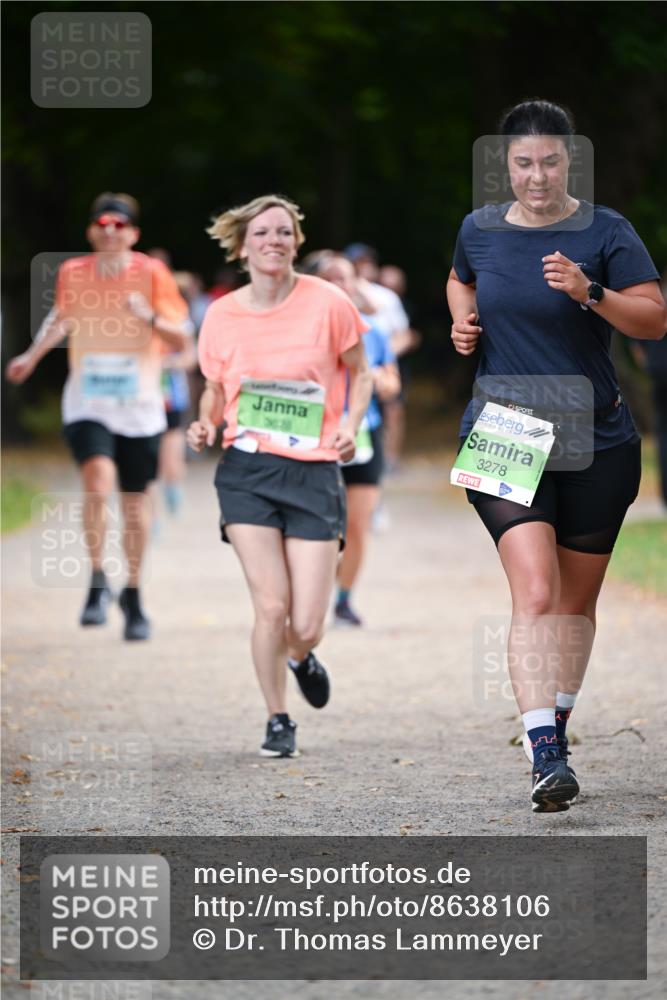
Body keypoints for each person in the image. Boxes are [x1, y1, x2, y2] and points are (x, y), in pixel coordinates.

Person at [447, 100, 666, 813]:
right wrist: (461, 319)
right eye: (522, 163)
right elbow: (459, 277)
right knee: (535, 593)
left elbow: (653, 320)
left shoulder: (607, 231)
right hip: (505, 432)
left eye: (548, 161)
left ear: (569, 160)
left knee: (574, 603)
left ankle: (555, 719)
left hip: (596, 436)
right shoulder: (478, 229)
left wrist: (588, 290)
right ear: (503, 165)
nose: (536, 176)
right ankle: (546, 751)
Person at [187, 194, 372, 758]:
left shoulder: (328, 301)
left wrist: (350, 427)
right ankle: (277, 718)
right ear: (243, 247)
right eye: (263, 233)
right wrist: (205, 422)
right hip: (248, 470)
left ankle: (299, 655)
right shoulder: (222, 315)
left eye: (284, 232)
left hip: (314, 471)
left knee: (307, 621)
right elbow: (214, 388)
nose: (275, 241)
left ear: (297, 242)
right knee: (270, 606)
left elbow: (362, 373)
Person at [5, 193, 190, 639]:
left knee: (134, 505)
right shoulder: (73, 272)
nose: (110, 231)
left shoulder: (153, 273)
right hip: (88, 401)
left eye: (119, 225)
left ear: (133, 233)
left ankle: (133, 593)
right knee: (96, 482)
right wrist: (30, 357)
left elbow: (182, 339)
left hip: (139, 405)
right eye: (102, 224)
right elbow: (62, 318)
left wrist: (148, 317)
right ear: (91, 231)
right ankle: (96, 579)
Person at [319, 254, 400, 627]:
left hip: (364, 434)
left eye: (344, 278)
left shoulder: (373, 330)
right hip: (315, 436)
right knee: (319, 526)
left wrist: (381, 381)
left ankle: (343, 600)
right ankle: (310, 590)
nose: (338, 285)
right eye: (329, 278)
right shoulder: (301, 330)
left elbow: (391, 382)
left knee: (356, 525)